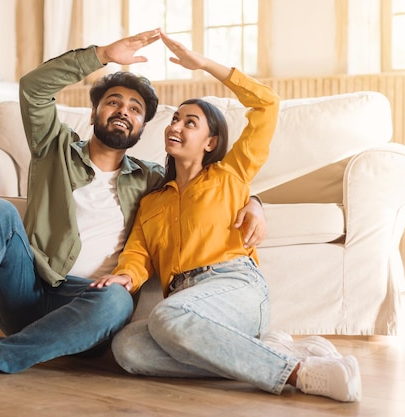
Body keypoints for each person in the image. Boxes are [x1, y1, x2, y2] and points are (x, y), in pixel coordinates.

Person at [0, 29, 266, 397]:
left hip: (88, 306)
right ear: (95, 110)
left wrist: (253, 201)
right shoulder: (55, 148)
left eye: (135, 109)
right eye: (113, 101)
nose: (123, 111)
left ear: (142, 126)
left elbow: (201, 191)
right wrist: (101, 55)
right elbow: (33, 88)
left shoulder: (151, 181)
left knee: (118, 301)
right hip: (28, 288)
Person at [91, 31, 362, 403]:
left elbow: (267, 105)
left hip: (235, 286)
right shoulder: (152, 200)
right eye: (176, 119)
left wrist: (204, 65)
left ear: (211, 142)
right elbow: (138, 255)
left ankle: (300, 373)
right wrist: (124, 276)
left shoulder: (230, 174)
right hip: (185, 302)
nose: (176, 126)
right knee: (128, 349)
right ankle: (278, 352)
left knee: (167, 318)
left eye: (191, 123)